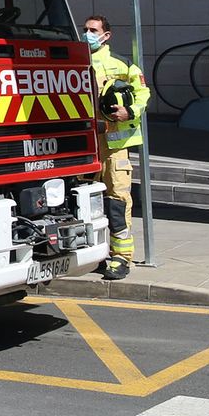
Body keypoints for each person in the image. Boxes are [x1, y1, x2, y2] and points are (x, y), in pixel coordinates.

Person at [85, 15, 150, 281]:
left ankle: (121, 258)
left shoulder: (121, 64)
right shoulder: (77, 62)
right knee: (88, 202)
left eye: (93, 30)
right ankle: (96, 253)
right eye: (85, 29)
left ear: (106, 35)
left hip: (114, 146)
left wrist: (129, 111)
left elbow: (143, 92)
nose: (87, 34)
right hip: (86, 147)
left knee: (117, 201)